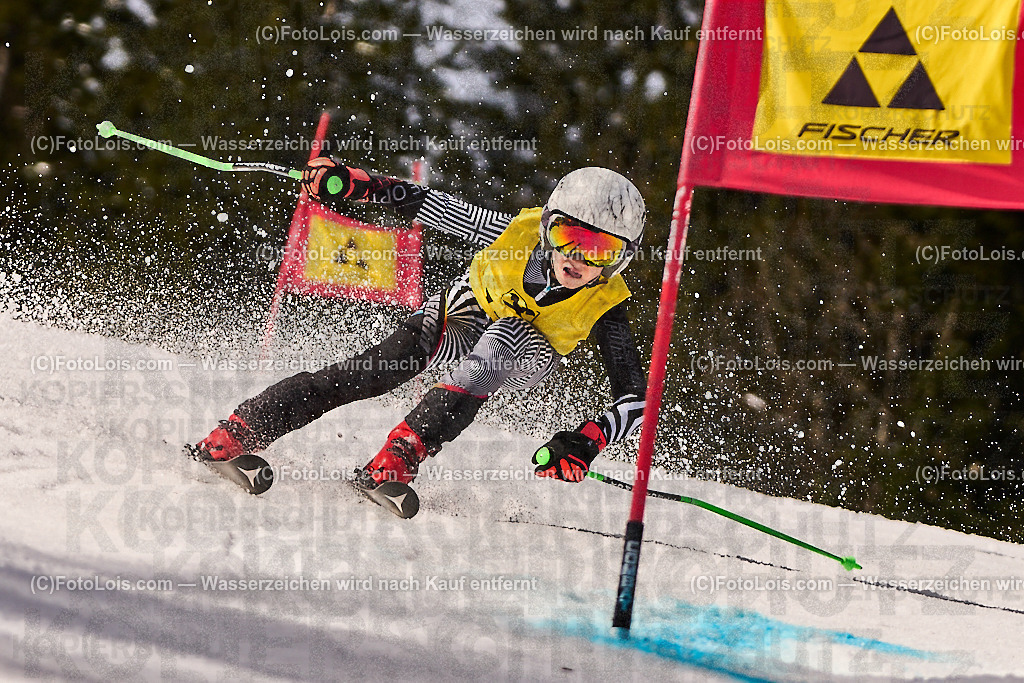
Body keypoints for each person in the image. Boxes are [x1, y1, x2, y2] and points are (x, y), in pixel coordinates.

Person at [191, 159, 648, 489]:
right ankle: (241, 430)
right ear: (549, 227)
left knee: (501, 344)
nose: (577, 258)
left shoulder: (608, 305)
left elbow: (637, 401)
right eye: (569, 236)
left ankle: (402, 453)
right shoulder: (516, 237)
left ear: (621, 258)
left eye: (601, 249)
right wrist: (358, 185)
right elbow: (435, 205)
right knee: (378, 368)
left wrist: (587, 441)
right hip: (464, 313)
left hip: (527, 352)